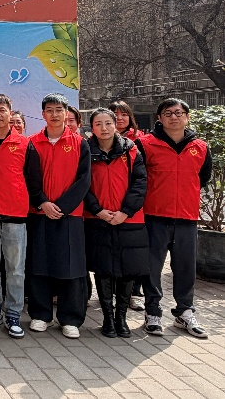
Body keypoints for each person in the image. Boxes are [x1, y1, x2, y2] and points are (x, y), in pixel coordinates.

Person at [136, 98, 212, 338]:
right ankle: (152, 313)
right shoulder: (145, 144)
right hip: (154, 216)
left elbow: (203, 178)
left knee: (186, 268)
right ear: (159, 118)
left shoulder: (200, 147)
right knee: (151, 268)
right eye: (168, 113)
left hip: (187, 218)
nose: (174, 117)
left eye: (179, 113)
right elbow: (137, 178)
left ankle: (184, 312)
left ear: (187, 117)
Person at [26, 93, 91, 339]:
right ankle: (40, 314)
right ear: (43, 114)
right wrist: (43, 202)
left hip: (69, 215)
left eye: (59, 110)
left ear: (66, 113)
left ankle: (70, 318)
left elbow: (84, 180)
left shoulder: (80, 143)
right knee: (39, 265)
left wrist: (61, 207)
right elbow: (29, 178)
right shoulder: (33, 143)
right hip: (39, 213)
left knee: (71, 267)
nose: (54, 114)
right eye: (50, 110)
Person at [0, 95, 41, 340]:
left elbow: (33, 180)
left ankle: (13, 313)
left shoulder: (24, 144)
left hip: (15, 214)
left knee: (15, 268)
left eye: (2, 110)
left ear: (10, 112)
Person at [83, 108, 148, 339]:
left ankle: (121, 318)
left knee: (127, 269)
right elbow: (82, 184)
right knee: (103, 270)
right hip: (97, 219)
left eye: (108, 123)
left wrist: (125, 211)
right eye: (98, 124)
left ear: (115, 125)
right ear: (92, 128)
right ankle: (108, 319)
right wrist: (98, 210)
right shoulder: (85, 151)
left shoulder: (131, 150)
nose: (104, 128)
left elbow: (140, 183)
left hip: (128, 220)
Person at [108, 99, 145, 310]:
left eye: (124, 114)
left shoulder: (139, 141)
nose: (120, 118)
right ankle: (114, 293)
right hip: (107, 209)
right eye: (115, 114)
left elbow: (142, 177)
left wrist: (129, 207)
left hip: (132, 208)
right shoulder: (98, 141)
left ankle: (134, 293)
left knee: (133, 254)